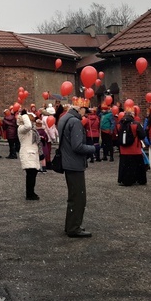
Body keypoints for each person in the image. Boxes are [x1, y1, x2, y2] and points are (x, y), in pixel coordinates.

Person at [57, 101, 96, 237]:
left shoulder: (64, 118)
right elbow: (77, 146)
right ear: (80, 109)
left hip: (68, 162)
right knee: (79, 198)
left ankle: (71, 226)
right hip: (74, 164)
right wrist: (93, 149)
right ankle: (74, 228)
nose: (86, 112)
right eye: (85, 109)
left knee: (74, 196)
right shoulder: (75, 122)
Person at [116, 106, 147, 186]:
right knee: (138, 165)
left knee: (125, 166)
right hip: (135, 149)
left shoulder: (119, 124)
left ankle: (125, 180)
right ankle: (140, 179)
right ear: (132, 115)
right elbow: (142, 135)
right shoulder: (136, 124)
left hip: (123, 150)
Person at [17, 110, 42, 200]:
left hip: (32, 153)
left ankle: (31, 192)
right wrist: (24, 115)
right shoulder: (22, 128)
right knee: (30, 174)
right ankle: (29, 194)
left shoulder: (32, 130)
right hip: (27, 153)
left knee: (33, 174)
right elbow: (28, 126)